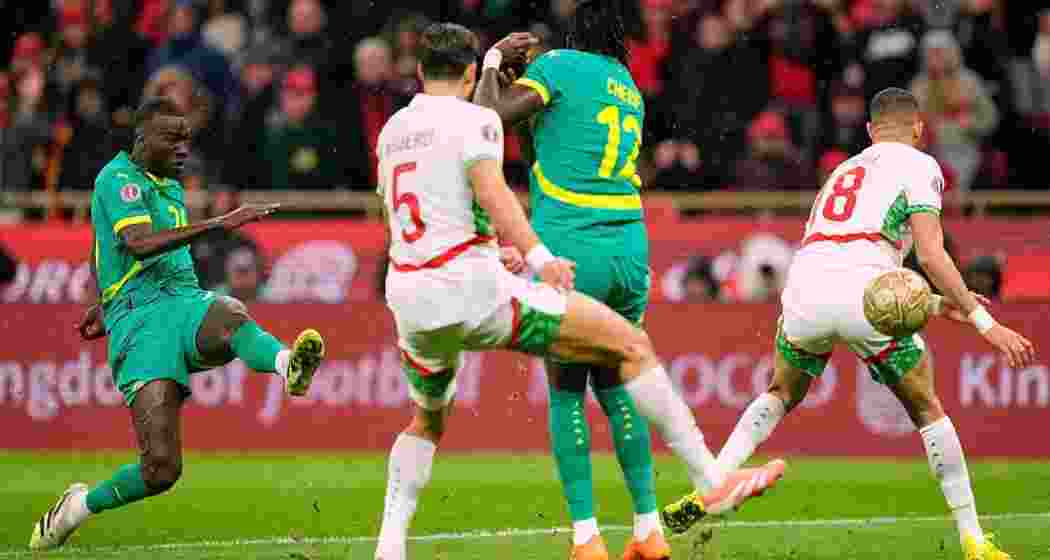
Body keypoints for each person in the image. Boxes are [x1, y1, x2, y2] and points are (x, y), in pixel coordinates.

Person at [373, 22, 786, 560]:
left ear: (419, 70)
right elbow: (493, 194)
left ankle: (389, 548)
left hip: (411, 296)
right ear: (471, 73)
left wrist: (490, 252)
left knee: (427, 420)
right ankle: (710, 482)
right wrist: (539, 258)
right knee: (630, 345)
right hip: (479, 289)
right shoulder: (478, 119)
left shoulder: (392, 131)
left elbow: (415, 220)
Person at [666, 88, 1034, 559]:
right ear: (919, 129)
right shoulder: (921, 165)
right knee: (928, 409)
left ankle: (713, 482)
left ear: (869, 131)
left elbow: (842, 253)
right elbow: (930, 254)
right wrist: (986, 323)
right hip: (866, 290)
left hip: (806, 285)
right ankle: (974, 541)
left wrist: (938, 304)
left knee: (780, 392)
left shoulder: (843, 169)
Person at [28, 97, 326, 551]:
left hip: (183, 300)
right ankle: (79, 507)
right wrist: (219, 224)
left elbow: (100, 243)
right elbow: (137, 243)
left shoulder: (169, 185)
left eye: (186, 139)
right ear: (142, 138)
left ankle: (289, 365)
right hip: (139, 321)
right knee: (161, 469)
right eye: (172, 138)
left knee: (230, 314)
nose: (183, 148)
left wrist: (100, 298)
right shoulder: (117, 178)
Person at [472, 3, 688, 557]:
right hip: (629, 249)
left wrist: (494, 62)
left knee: (566, 389)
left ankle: (587, 538)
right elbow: (540, 149)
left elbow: (488, 117)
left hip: (573, 247)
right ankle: (648, 530)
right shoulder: (628, 87)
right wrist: (524, 94)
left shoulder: (558, 66)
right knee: (617, 383)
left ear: (571, 35)